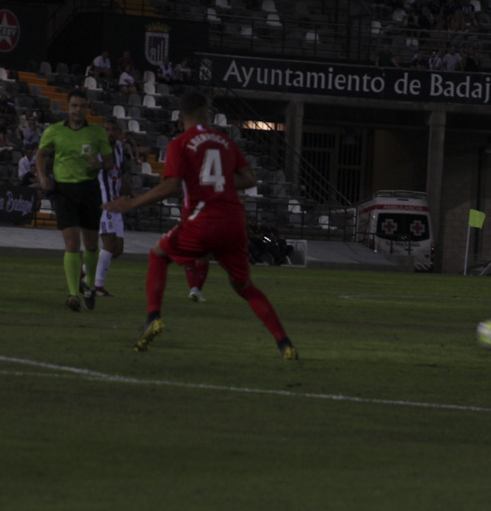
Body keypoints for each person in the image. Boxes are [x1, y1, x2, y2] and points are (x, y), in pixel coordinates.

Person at [102, 91, 298, 359]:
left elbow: (170, 187)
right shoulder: (225, 141)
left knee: (158, 255)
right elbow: (250, 178)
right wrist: (220, 184)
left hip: (203, 219)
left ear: (181, 117)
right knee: (245, 287)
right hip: (234, 223)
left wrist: (132, 203)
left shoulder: (180, 143)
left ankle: (153, 318)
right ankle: (284, 344)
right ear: (207, 114)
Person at [35, 89, 114, 312]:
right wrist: (42, 176)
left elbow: (109, 161)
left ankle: (88, 286)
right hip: (63, 191)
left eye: (81, 106)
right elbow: (41, 154)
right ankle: (72, 294)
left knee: (90, 244)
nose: (77, 110)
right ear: (68, 107)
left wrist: (99, 165)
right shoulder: (54, 131)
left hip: (89, 190)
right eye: (74, 106)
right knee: (72, 243)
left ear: (87, 108)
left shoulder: (97, 132)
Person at [92, 120, 134, 297]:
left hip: (116, 204)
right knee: (109, 245)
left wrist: (128, 193)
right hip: (104, 203)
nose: (109, 133)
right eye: (106, 129)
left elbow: (121, 175)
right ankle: (97, 286)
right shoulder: (97, 148)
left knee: (117, 250)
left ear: (118, 132)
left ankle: (85, 270)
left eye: (112, 130)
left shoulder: (119, 150)